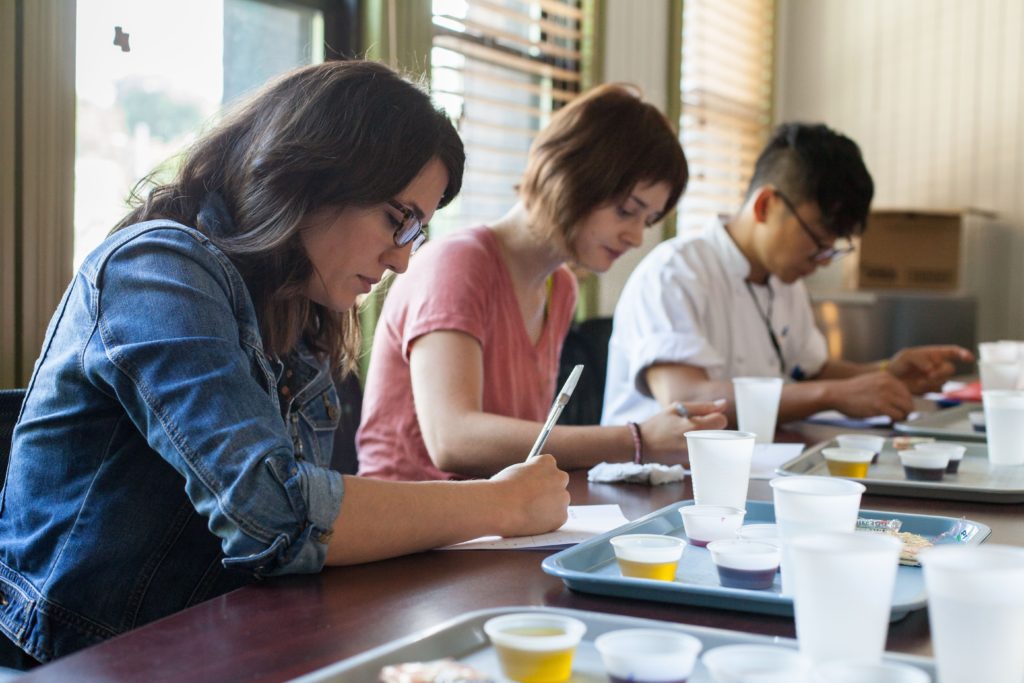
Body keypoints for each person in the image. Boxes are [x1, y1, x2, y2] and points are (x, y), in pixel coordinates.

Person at [0, 61, 570, 667]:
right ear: (314, 172)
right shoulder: (157, 270)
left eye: (418, 232)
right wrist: (499, 504)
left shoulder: (294, 304)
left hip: (212, 641)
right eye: (398, 219)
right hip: (78, 656)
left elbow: (297, 543)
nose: (402, 263)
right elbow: (276, 518)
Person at [356, 84, 727, 483]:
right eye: (626, 211)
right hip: (415, 526)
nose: (636, 237)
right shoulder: (460, 262)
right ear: (570, 174)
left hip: (491, 523)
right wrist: (635, 439)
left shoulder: (560, 288)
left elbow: (523, 452)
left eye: (647, 220)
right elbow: (453, 440)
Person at [602, 122, 973, 428]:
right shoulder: (677, 272)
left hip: (751, 466)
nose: (823, 260)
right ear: (766, 205)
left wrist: (885, 372)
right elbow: (686, 398)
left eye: (833, 248)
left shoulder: (784, 279)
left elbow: (809, 372)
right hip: (649, 483)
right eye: (817, 241)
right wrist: (834, 396)